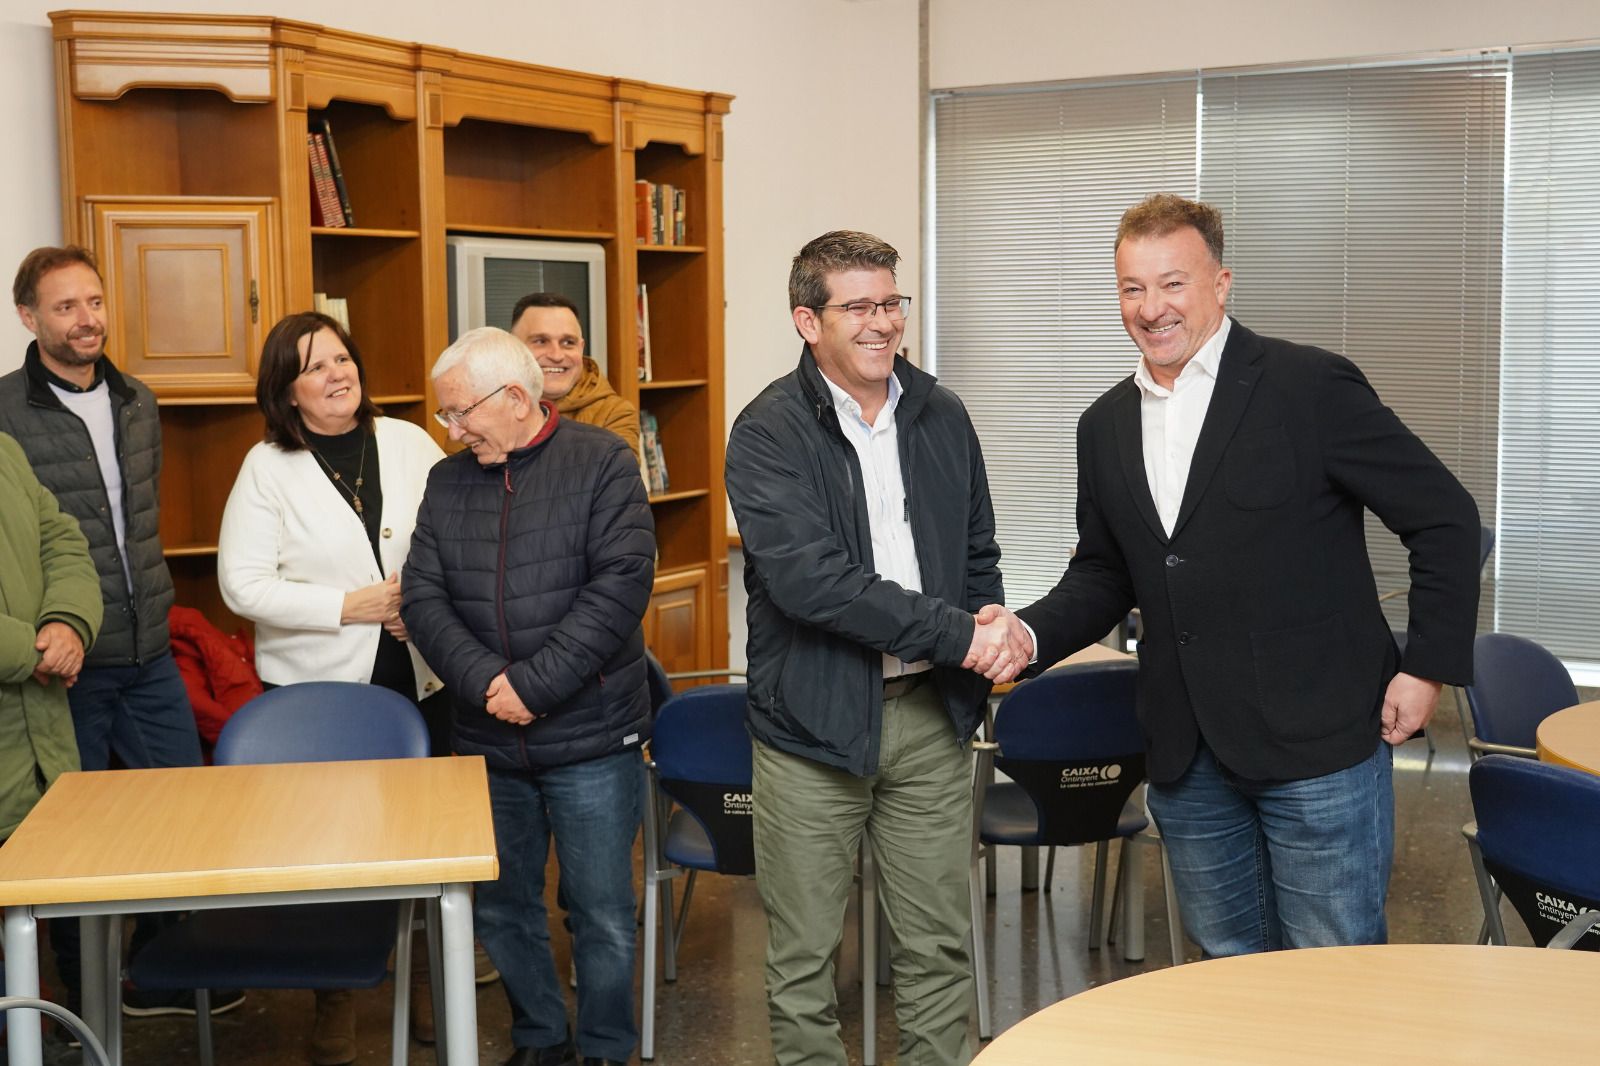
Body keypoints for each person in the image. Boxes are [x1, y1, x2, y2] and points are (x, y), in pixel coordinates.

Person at [986, 193, 1480, 956]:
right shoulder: (1104, 424)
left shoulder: (1308, 386)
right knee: (1225, 982)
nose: (1152, 308)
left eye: (1173, 283)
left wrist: (1426, 667)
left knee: (1334, 983)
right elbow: (1105, 574)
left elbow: (1445, 518)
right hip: (1188, 758)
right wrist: (1024, 633)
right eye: (1132, 288)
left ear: (1221, 283)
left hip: (1320, 748)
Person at [724, 230, 1022, 1066]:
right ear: (806, 321)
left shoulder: (941, 413)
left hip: (928, 721)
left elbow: (976, 552)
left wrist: (985, 623)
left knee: (936, 950)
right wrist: (964, 634)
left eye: (891, 302)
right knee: (804, 963)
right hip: (811, 732)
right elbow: (813, 584)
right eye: (858, 306)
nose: (882, 322)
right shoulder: (766, 432)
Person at [0, 246, 242, 1022]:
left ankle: (160, 973)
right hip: (59, 668)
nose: (86, 319)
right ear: (29, 318)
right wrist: (51, 633)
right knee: (69, 838)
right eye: (66, 306)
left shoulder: (137, 398)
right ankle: (81, 1002)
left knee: (176, 816)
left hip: (146, 656)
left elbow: (134, 526)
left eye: (94, 302)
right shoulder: (5, 413)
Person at [401, 326, 655, 1066]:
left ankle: (607, 1048)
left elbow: (619, 590)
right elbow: (422, 595)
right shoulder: (449, 481)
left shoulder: (603, 462)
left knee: (601, 913)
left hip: (590, 740)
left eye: (459, 413)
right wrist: (485, 684)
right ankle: (541, 1040)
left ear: (515, 398)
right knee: (506, 910)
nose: (450, 431)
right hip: (486, 739)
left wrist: (533, 687)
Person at [215, 310, 448, 1065]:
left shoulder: (410, 442)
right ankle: (335, 1000)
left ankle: (427, 989)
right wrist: (348, 607)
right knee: (338, 849)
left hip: (421, 673)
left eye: (342, 358)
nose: (337, 373)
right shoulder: (266, 467)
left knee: (427, 846)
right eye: (314, 366)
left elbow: (457, 536)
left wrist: (422, 601)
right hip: (324, 693)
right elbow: (240, 585)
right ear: (286, 391)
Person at [0, 430, 102, 840]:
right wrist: (37, 652)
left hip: (45, 771)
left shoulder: (5, 450)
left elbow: (63, 543)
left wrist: (67, 624)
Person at [510, 292, 640, 457]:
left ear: (581, 347)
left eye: (568, 343)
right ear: (512, 346)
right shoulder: (483, 404)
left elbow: (619, 478)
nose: (556, 355)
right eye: (541, 341)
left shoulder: (614, 413)